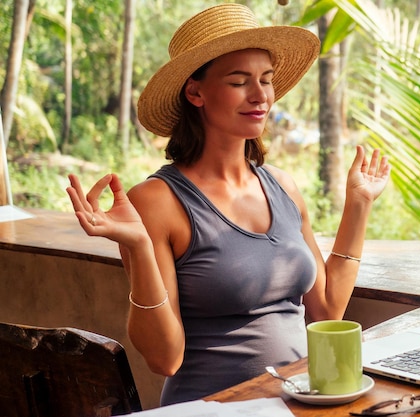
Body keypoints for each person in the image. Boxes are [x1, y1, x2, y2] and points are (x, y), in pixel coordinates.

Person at [66, 3, 390, 406]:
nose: (261, 96)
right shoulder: (156, 201)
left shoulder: (284, 187)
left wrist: (358, 205)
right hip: (212, 409)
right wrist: (138, 246)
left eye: (266, 80)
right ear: (195, 91)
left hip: (300, 403)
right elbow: (165, 359)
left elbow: (326, 314)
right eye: (239, 82)